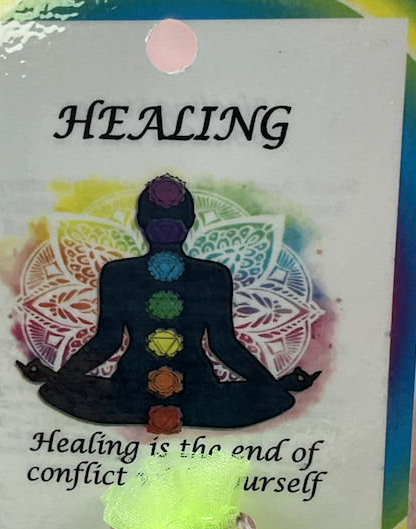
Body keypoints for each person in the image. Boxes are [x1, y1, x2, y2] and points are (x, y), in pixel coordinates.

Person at [17, 175, 320, 432]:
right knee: (272, 398)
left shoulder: (208, 275)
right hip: (141, 390)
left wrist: (59, 379)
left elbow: (223, 345)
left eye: (170, 220)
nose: (164, 227)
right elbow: (106, 342)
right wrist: (272, 386)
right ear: (190, 221)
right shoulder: (125, 274)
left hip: (185, 392)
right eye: (159, 220)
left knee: (59, 391)